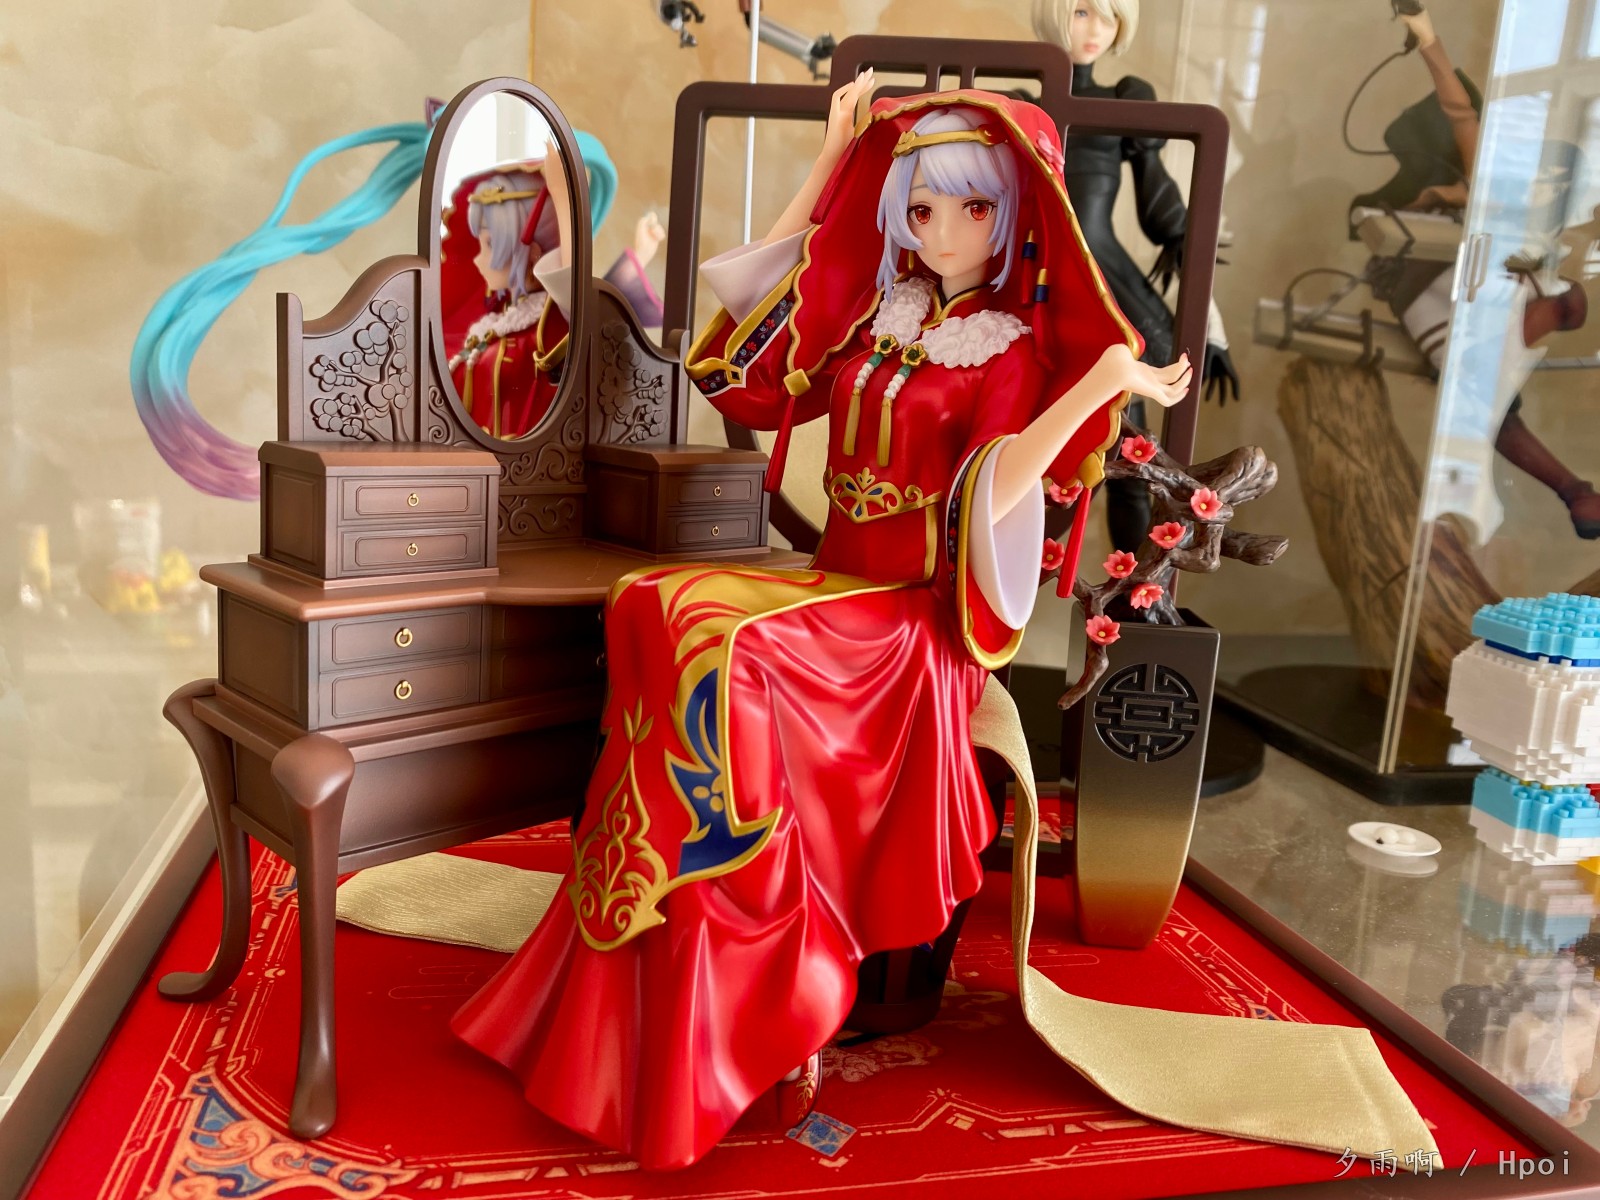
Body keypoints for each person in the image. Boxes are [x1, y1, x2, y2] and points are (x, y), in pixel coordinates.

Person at [450, 78, 1190, 1169]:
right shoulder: (885, 321)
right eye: (921, 208)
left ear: (1016, 216)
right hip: (832, 583)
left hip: (909, 620)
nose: (942, 231)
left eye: (973, 208)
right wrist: (829, 163)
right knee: (649, 599)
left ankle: (775, 975)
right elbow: (739, 379)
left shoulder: (1012, 353)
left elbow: (996, 491)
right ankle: (646, 938)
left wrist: (1099, 384)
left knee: (721, 638)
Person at [1033, 0, 1239, 552]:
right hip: (1040, 282)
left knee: (1130, 450)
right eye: (1082, 11)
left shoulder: (1124, 101)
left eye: (1109, 17)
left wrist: (1211, 326)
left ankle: (1132, 587)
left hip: (1108, 282)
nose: (1096, 30)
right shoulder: (1023, 105)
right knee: (1032, 443)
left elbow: (1162, 209)